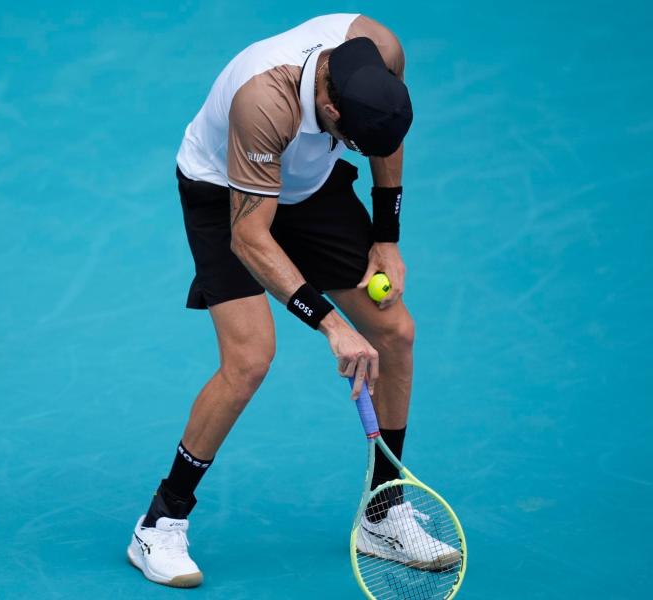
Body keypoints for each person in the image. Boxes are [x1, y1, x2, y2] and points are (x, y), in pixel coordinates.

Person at [126, 13, 454, 587]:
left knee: (395, 332)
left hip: (310, 185)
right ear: (331, 112)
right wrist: (331, 325)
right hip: (225, 192)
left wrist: (386, 236)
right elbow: (250, 238)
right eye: (351, 137)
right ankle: (160, 522)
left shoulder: (379, 50)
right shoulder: (264, 101)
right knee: (250, 358)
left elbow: (385, 134)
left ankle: (382, 513)